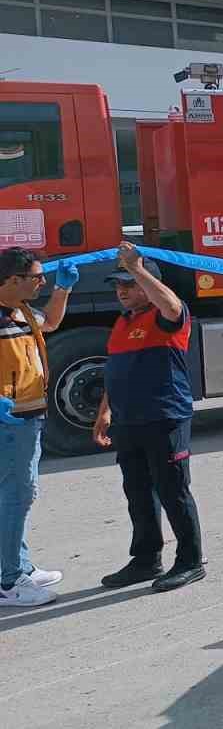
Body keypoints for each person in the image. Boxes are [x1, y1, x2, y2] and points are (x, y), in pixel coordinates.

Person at [94, 243, 205, 592]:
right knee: (138, 492)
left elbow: (172, 305)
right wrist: (105, 412)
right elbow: (118, 371)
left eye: (130, 284)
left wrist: (138, 267)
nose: (122, 291)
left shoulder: (166, 318)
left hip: (163, 417)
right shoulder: (122, 323)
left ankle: (190, 561)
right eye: (119, 285)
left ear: (149, 284)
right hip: (129, 421)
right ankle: (146, 559)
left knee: (173, 490)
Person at [0, 248, 76, 607]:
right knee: (16, 497)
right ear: (13, 280)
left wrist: (64, 290)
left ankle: (19, 566)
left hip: (27, 418)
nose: (42, 282)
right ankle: (9, 581)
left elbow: (51, 324)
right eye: (38, 277)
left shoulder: (21, 310)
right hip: (10, 422)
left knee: (14, 496)